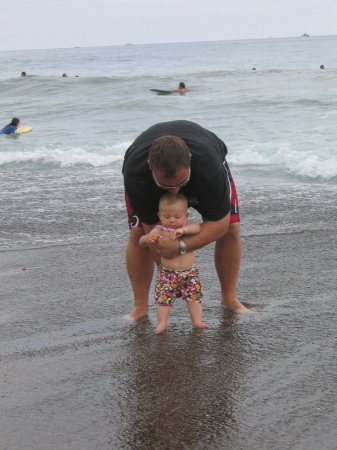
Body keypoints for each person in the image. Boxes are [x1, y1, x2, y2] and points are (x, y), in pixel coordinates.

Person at [123, 120, 255, 321]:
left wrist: (180, 247)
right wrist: (171, 275)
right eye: (166, 186)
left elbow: (220, 224)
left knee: (231, 228)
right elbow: (154, 232)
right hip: (142, 171)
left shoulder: (208, 167)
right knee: (140, 233)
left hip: (207, 154)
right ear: (150, 167)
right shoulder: (136, 174)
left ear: (190, 160)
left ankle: (229, 298)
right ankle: (140, 306)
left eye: (181, 183)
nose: (175, 191)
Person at [139, 192, 208, 333]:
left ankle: (197, 321)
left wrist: (183, 230)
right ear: (159, 216)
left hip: (189, 272)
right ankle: (162, 323)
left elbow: (198, 228)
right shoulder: (159, 230)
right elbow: (141, 242)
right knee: (163, 299)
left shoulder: (187, 227)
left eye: (177, 217)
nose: (172, 220)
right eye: (167, 216)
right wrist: (146, 239)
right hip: (167, 273)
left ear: (186, 216)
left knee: (194, 298)